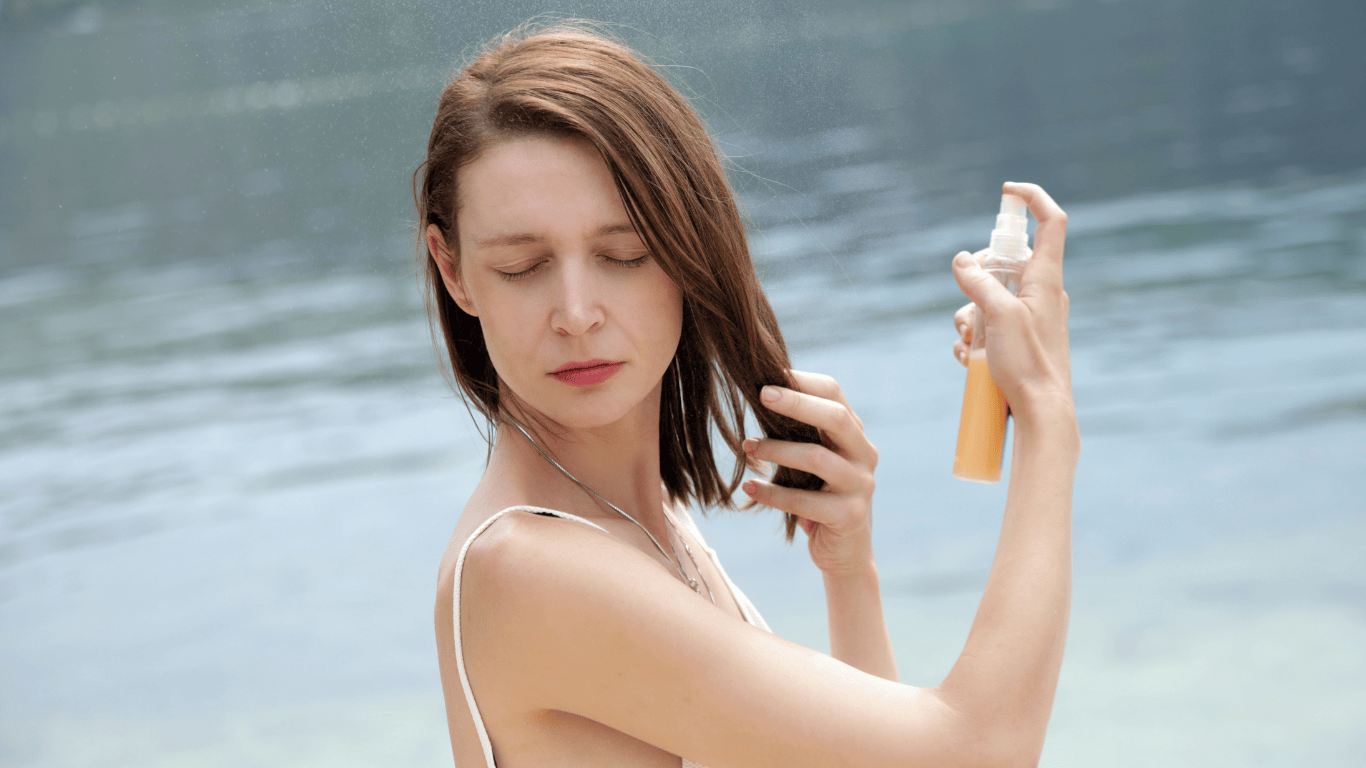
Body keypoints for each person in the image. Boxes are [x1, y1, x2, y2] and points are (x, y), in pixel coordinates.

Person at [414, 22, 1078, 768]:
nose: (577, 312)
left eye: (623, 254)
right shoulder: (529, 569)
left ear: (684, 243)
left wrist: (849, 574)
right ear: (454, 269)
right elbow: (983, 752)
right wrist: (1049, 418)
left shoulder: (647, 524)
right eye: (523, 266)